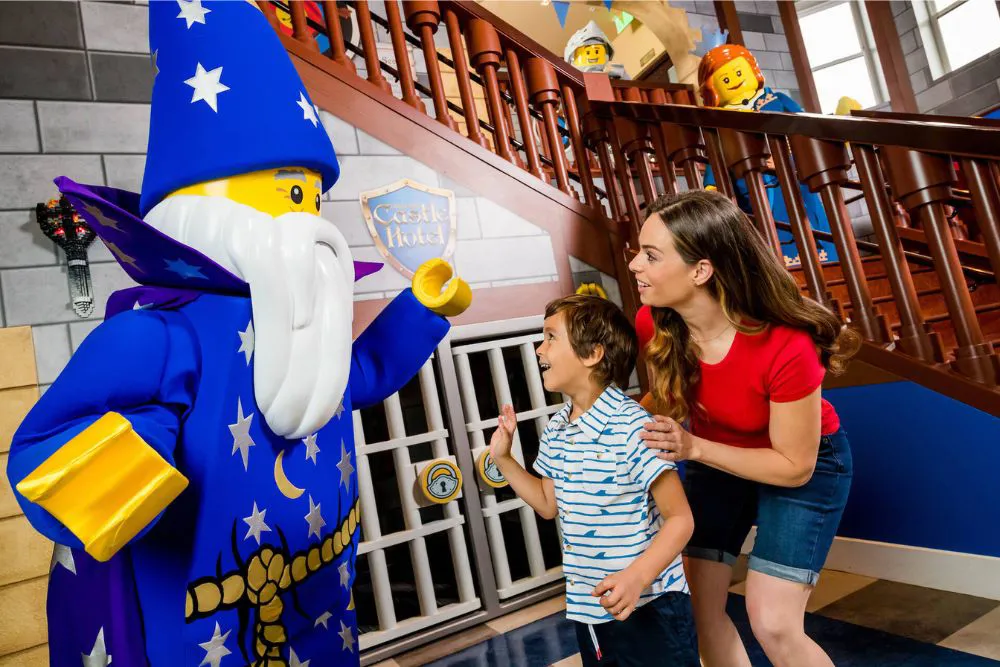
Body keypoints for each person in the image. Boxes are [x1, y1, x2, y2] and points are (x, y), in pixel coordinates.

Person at [6, 2, 470, 665]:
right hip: (200, 631)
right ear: (208, 209)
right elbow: (45, 453)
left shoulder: (309, 320)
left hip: (323, 604)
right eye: (289, 195)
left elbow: (360, 372)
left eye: (311, 198)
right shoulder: (155, 340)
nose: (309, 221)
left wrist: (419, 309)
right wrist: (135, 452)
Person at [629, 190, 858, 667]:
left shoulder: (786, 345)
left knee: (773, 621)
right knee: (698, 601)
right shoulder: (654, 322)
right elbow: (671, 397)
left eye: (651, 255)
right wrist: (611, 424)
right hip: (715, 452)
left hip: (805, 465)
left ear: (701, 270)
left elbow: (794, 467)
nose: (634, 265)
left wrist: (692, 446)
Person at [489, 295, 699, 667]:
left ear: (592, 354)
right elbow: (546, 503)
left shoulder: (634, 426)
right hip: (589, 608)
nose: (540, 348)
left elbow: (681, 519)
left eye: (551, 337)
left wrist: (636, 577)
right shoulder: (556, 429)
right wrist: (503, 459)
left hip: (651, 605)